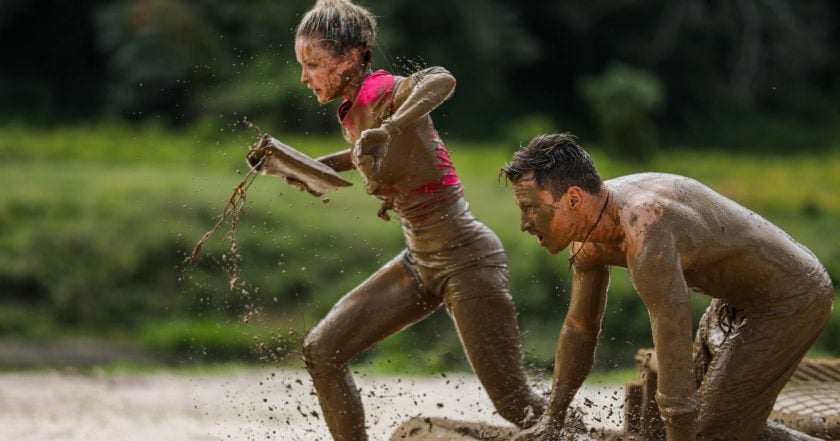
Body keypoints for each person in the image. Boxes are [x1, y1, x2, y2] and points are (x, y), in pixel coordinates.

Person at [250, 1, 547, 439]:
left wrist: (390, 126)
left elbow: (441, 79)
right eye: (302, 64)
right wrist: (295, 167)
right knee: (322, 350)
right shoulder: (353, 111)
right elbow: (360, 157)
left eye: (312, 64)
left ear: (350, 59)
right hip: (420, 259)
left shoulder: (383, 91)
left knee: (515, 403)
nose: (304, 76)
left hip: (465, 257)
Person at [501, 133, 834, 441]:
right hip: (732, 302)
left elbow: (671, 331)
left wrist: (682, 423)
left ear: (573, 198)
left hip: (791, 298)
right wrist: (552, 421)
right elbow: (580, 328)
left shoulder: (647, 227)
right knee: (720, 417)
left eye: (530, 208)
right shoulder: (587, 238)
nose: (524, 223)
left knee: (702, 427)